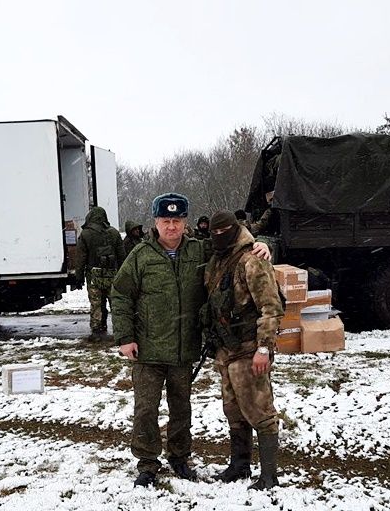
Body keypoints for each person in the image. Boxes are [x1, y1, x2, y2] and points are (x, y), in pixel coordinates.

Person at [111, 193, 271, 487]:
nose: (171, 227)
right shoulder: (140, 255)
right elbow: (120, 294)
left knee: (181, 408)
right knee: (146, 409)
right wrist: (125, 337)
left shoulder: (199, 250)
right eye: (165, 221)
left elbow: (235, 245)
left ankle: (180, 458)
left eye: (177, 221)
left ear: (185, 223)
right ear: (155, 222)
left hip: (184, 349)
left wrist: (261, 245)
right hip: (147, 349)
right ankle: (147, 464)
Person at [204, 210, 284, 490]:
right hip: (226, 349)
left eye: (223, 231)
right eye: (213, 232)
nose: (218, 236)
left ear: (235, 229)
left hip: (250, 347)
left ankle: (269, 475)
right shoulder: (217, 257)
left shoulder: (253, 259)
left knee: (260, 410)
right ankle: (239, 466)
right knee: (234, 410)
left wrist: (264, 348)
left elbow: (271, 307)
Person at [75, 206, 124, 342]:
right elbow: (122, 256)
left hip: (94, 275)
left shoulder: (85, 234)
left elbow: (80, 258)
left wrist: (78, 277)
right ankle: (120, 329)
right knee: (115, 303)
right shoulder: (114, 233)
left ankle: (97, 330)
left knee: (96, 303)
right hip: (112, 275)